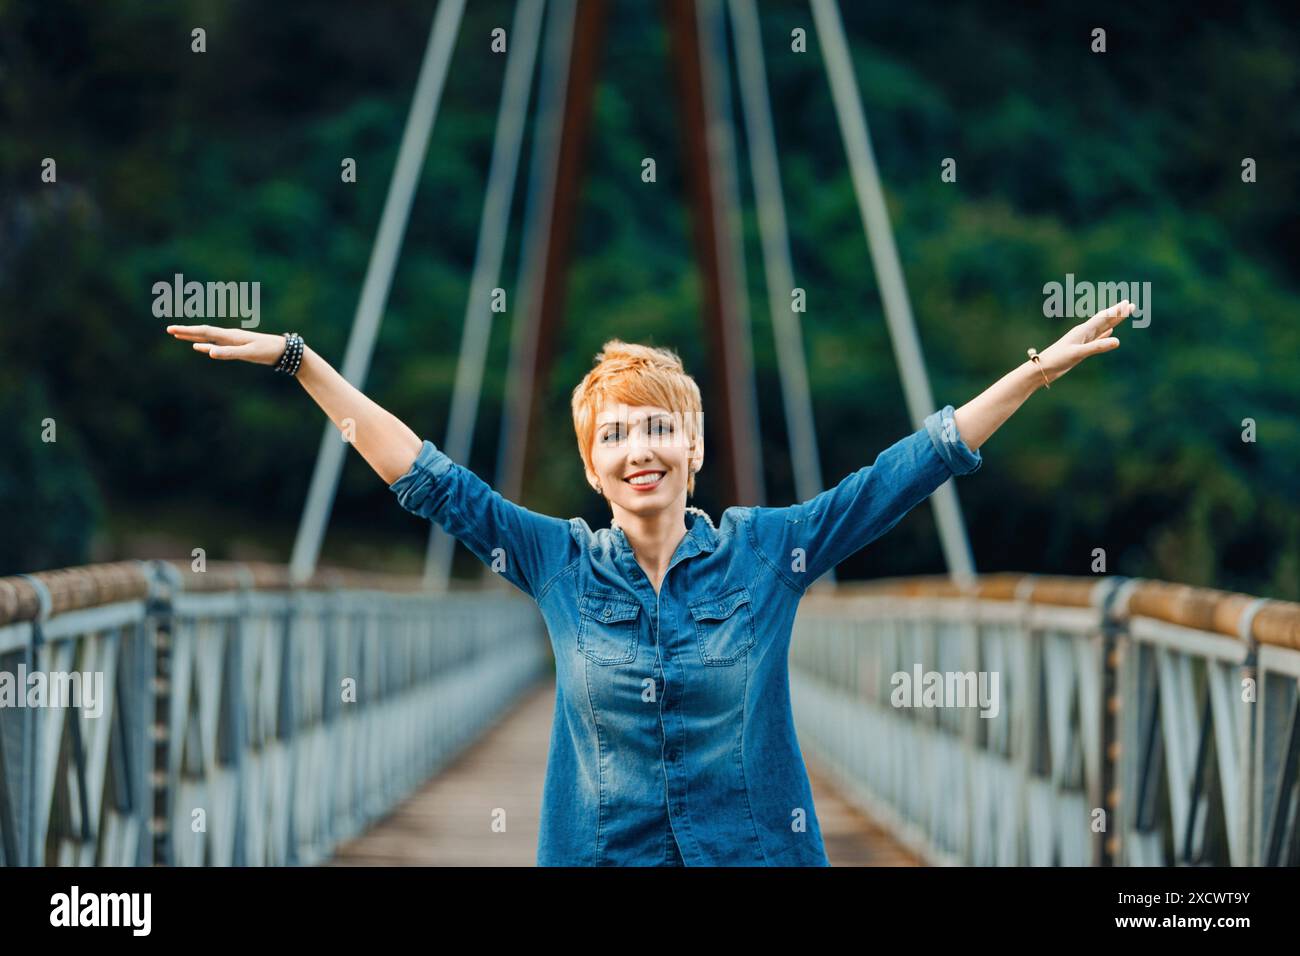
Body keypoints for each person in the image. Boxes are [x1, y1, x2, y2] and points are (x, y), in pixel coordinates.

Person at [165, 299, 1130, 865]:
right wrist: (304, 364)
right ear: (592, 467)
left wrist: (1032, 375)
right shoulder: (556, 563)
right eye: (615, 435)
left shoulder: (770, 552)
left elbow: (907, 470)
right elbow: (426, 476)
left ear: (696, 446)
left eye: (659, 427)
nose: (640, 450)